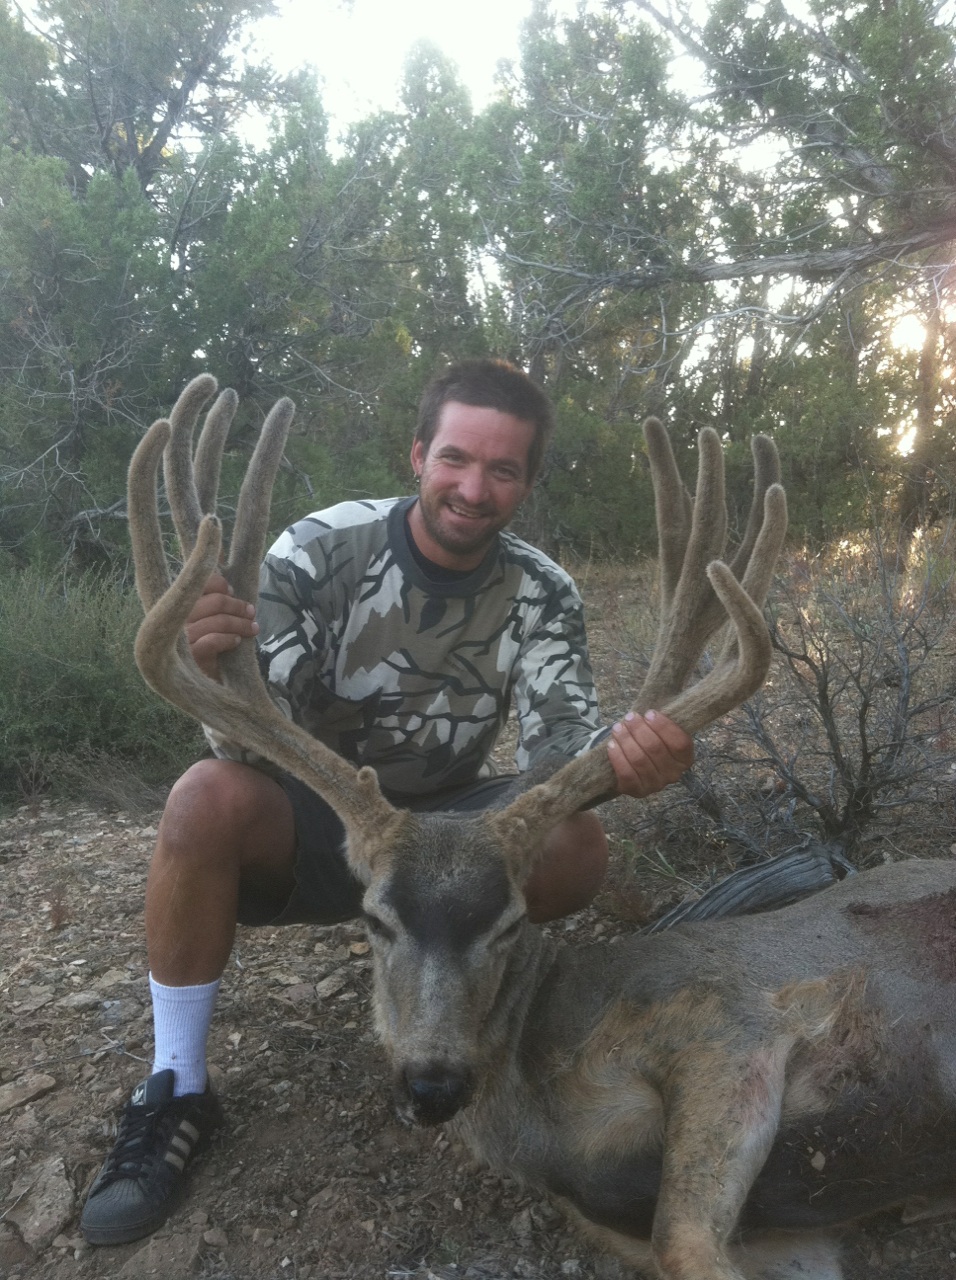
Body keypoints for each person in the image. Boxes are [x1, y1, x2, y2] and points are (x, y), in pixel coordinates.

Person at [80, 358, 694, 1245]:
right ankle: (174, 1083)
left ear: (526, 482)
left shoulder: (541, 590)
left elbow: (560, 750)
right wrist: (209, 665)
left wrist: (632, 757)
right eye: (456, 459)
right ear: (418, 455)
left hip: (458, 835)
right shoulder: (320, 550)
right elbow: (254, 740)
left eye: (502, 470)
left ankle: (485, 1005)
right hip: (330, 817)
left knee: (576, 843)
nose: (473, 489)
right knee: (204, 798)